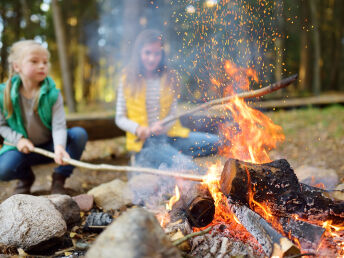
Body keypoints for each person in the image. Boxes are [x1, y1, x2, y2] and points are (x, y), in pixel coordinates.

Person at [115, 29, 220, 173]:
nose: (152, 58)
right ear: (139, 52)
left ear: (162, 53)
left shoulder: (170, 77)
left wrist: (164, 126)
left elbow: (172, 113)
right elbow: (120, 117)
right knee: (188, 167)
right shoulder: (127, 77)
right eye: (147, 53)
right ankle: (160, 158)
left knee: (219, 142)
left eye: (157, 53)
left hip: (172, 137)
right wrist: (138, 129)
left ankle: (171, 155)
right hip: (146, 144)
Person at [0, 40, 88, 195]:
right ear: (17, 66)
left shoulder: (53, 95)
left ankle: (59, 178)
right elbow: (2, 126)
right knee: (3, 170)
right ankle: (26, 178)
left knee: (79, 134)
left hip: (50, 147)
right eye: (34, 61)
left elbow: (59, 126)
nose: (42, 66)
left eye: (45, 62)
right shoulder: (2, 95)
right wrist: (18, 140)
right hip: (21, 150)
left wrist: (59, 147)